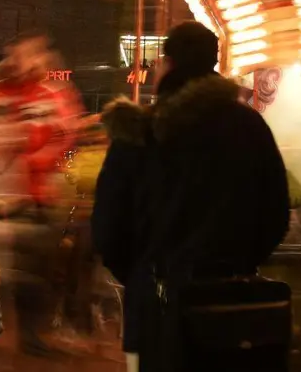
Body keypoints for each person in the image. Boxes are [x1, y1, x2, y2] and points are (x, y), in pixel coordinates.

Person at [92, 21, 290, 372]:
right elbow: (275, 214)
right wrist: (238, 264)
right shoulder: (249, 127)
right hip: (233, 313)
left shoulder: (140, 131)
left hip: (159, 312)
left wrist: (144, 276)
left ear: (168, 65)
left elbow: (109, 227)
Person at [0, 32, 84, 356]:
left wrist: (29, 161)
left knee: (35, 273)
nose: (23, 60)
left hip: (34, 201)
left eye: (30, 53)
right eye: (18, 52)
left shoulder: (51, 96)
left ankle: (30, 334)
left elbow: (64, 136)